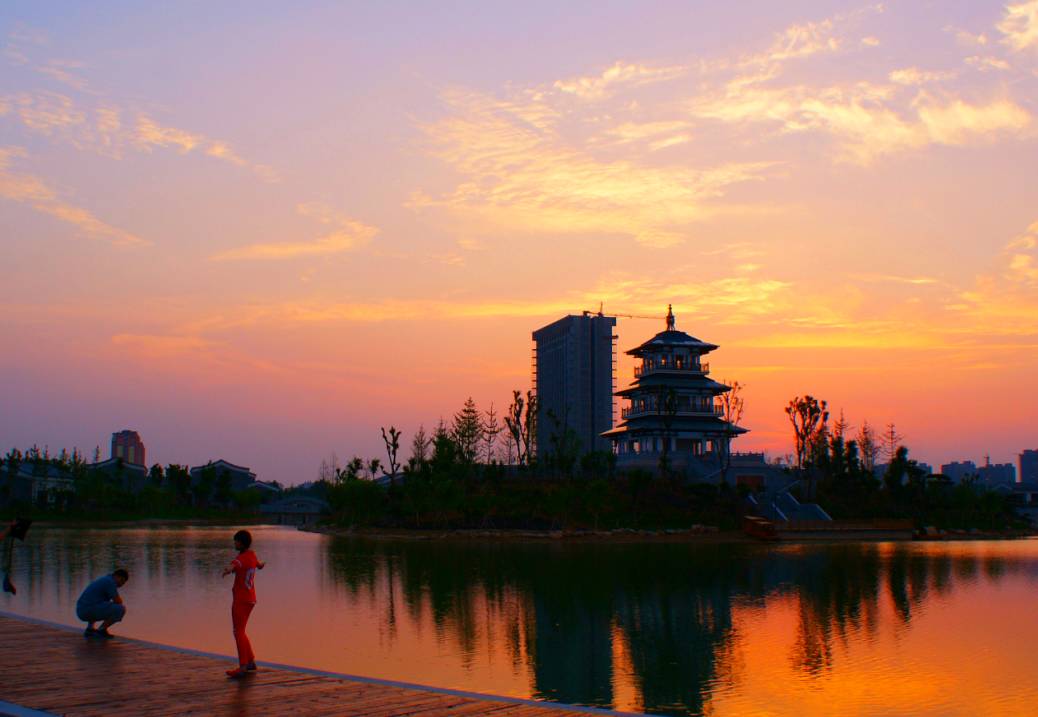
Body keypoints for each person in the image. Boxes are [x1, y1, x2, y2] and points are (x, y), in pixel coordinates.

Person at [222, 529, 265, 678]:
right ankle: (251, 661)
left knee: (237, 632)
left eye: (236, 541)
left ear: (241, 543)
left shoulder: (241, 559)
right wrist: (261, 565)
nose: (234, 543)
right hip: (251, 599)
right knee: (242, 630)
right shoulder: (252, 556)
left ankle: (243, 666)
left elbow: (234, 565)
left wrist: (228, 570)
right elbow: (258, 565)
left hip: (241, 600)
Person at [76, 569, 129, 638]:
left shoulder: (105, 579)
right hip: (87, 610)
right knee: (120, 609)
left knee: (99, 603)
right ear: (116, 576)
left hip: (81, 610)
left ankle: (90, 629)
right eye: (121, 580)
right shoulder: (110, 582)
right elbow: (118, 601)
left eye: (123, 583)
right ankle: (101, 630)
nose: (121, 584)